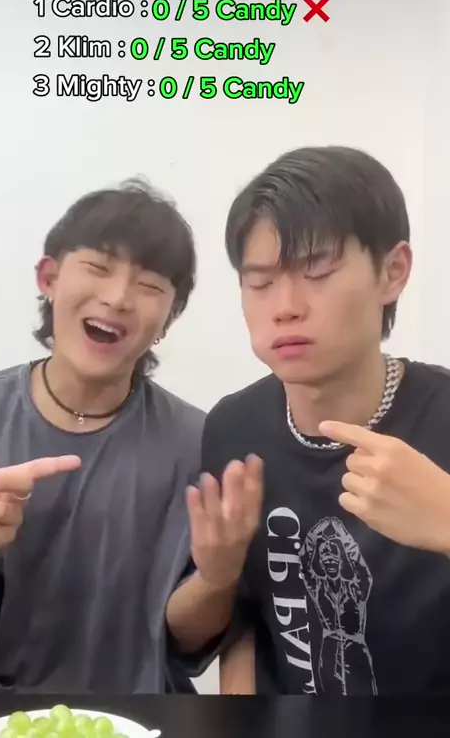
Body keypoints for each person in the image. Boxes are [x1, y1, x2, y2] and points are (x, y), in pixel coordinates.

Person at [166, 146, 450, 696]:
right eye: (260, 282)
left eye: (317, 272)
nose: (286, 306)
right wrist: (217, 579)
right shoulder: (234, 428)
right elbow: (219, 633)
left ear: (392, 272)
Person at [0, 178, 205, 694]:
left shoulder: (199, 444)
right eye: (98, 268)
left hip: (143, 719)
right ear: (49, 278)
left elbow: (188, 648)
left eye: (149, 286)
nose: (118, 298)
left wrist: (222, 575)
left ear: (170, 316)